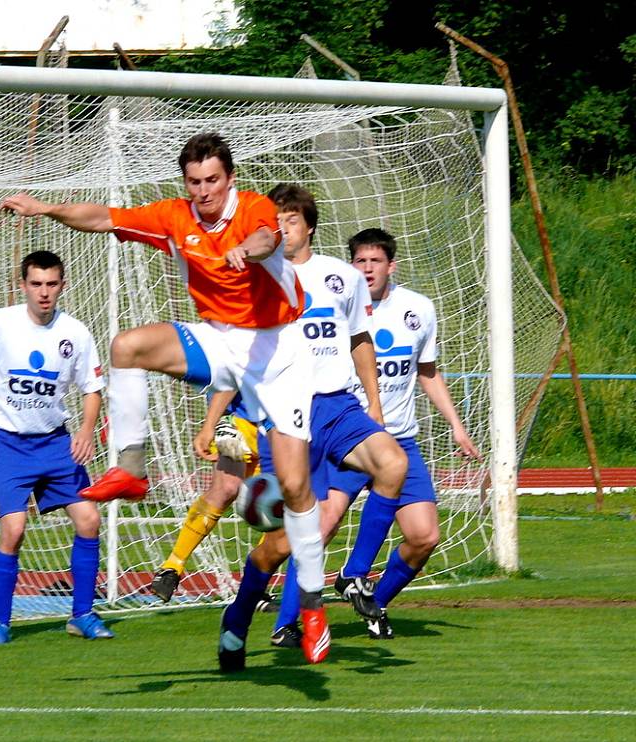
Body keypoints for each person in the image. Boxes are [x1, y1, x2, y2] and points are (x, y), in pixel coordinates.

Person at [0, 135, 330, 664]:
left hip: (280, 349)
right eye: (195, 182)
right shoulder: (175, 217)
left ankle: (311, 603)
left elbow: (267, 237)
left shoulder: (254, 212)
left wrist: (248, 249)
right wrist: (48, 208)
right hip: (220, 337)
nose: (204, 192)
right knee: (127, 347)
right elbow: (103, 217)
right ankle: (130, 465)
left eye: (213, 180)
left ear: (230, 178)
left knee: (293, 484)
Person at [218, 184, 408, 671]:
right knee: (280, 543)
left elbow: (360, 339)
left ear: (309, 226)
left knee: (393, 462)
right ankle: (238, 617)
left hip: (338, 406)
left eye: (291, 220)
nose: (282, 228)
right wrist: (214, 417)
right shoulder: (259, 280)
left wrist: (376, 405)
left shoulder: (342, 278)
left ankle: (355, 575)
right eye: (274, 221)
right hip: (286, 413)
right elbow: (236, 355)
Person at [0, 250, 112, 644]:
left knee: (89, 520)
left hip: (54, 441)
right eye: (36, 284)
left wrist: (85, 430)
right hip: (6, 443)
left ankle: (82, 615)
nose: (44, 293)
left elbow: (92, 388)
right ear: (23, 285)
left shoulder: (76, 333)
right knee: (14, 529)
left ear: (62, 286)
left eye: (51, 284)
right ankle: (0, 624)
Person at [335, 228, 481, 639]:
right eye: (360, 262)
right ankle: (291, 621)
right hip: (347, 440)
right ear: (351, 266)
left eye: (375, 261)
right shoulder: (337, 312)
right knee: (322, 527)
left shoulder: (418, 309)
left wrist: (456, 425)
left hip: (399, 440)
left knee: (424, 536)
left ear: (390, 266)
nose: (367, 269)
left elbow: (427, 373)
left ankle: (374, 603)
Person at [149, 391, 261, 603]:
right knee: (227, 488)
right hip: (238, 420)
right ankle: (171, 567)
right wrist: (211, 424)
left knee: (279, 502)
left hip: (281, 424)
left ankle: (256, 585)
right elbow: (227, 375)